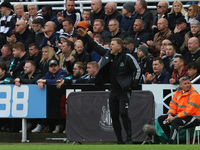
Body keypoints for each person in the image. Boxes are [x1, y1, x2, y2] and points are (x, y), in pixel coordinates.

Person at [77, 27, 141, 144]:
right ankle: (119, 140)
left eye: (112, 44)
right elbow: (96, 46)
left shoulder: (127, 57)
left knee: (123, 113)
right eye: (110, 44)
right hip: (113, 90)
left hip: (123, 90)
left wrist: (133, 84)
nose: (110, 46)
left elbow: (137, 69)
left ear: (119, 47)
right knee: (114, 115)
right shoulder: (107, 53)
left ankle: (129, 138)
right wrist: (85, 36)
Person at [158, 76, 200, 144]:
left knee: (175, 121)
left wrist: (174, 117)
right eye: (185, 84)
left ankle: (170, 142)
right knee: (161, 119)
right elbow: (172, 106)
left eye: (188, 83)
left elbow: (189, 112)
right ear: (180, 85)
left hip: (194, 118)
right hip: (180, 117)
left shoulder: (194, 94)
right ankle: (171, 140)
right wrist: (169, 115)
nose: (187, 85)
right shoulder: (177, 93)